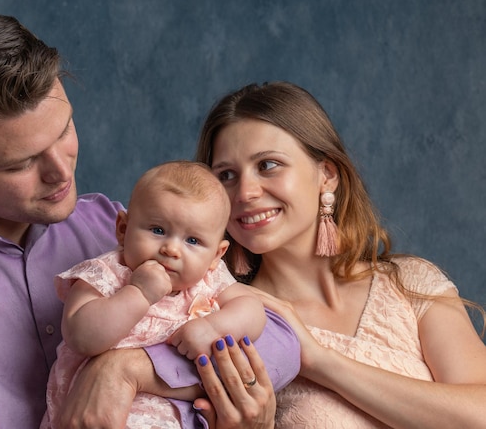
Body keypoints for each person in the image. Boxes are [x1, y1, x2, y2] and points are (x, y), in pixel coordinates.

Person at [0, 11, 300, 428]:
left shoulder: (111, 220)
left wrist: (127, 370)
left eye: (64, 130)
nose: (61, 171)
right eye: (21, 163)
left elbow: (280, 340)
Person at [195, 81, 486, 428]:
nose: (244, 192)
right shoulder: (223, 318)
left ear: (327, 175)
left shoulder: (409, 284)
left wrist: (318, 361)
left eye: (268, 165)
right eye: (226, 175)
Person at [42, 160, 267, 429]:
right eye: (158, 230)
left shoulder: (209, 278)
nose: (172, 249)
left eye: (192, 241)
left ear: (216, 255)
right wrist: (138, 293)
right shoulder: (108, 273)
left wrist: (213, 327)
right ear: (123, 230)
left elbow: (254, 310)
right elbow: (81, 336)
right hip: (99, 415)